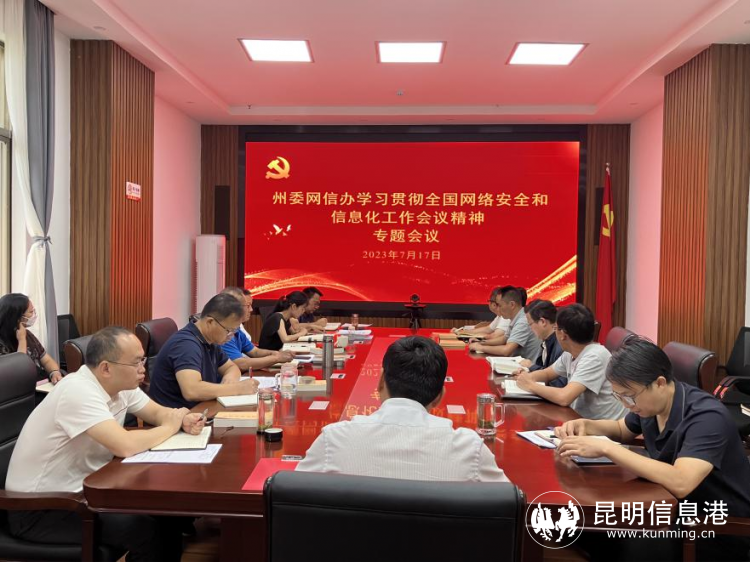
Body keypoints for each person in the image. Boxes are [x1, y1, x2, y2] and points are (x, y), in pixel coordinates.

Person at [6, 326, 204, 561]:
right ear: (106, 368)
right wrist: (170, 426)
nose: (143, 368)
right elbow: (125, 445)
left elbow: (157, 413)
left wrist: (181, 419)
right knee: (145, 530)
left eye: (143, 359)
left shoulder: (120, 385)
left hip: (88, 491)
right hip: (41, 509)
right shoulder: (77, 391)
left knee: (168, 513)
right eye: (136, 362)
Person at [556, 338, 750, 561]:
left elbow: (682, 482)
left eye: (629, 396)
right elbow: (622, 429)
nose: (626, 405)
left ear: (659, 383)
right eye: (619, 397)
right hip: (668, 507)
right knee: (574, 527)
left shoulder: (707, 417)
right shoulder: (652, 405)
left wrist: (607, 448)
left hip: (712, 526)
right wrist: (588, 425)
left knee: (607, 535)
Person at [297, 336, 509, 482]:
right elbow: (512, 509)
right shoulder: (470, 450)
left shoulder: (334, 440)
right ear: (439, 396)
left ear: (380, 382)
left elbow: (289, 499)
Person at [514, 304, 627, 420]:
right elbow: (547, 374)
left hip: (602, 427)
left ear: (563, 335)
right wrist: (526, 377)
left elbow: (564, 397)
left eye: (555, 328)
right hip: (579, 419)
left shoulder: (595, 356)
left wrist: (530, 385)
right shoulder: (570, 352)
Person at [148, 294, 259, 409]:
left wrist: (229, 381)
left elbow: (231, 367)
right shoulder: (186, 345)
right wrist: (237, 388)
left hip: (200, 409)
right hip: (179, 415)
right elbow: (192, 391)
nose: (230, 336)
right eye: (228, 330)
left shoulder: (210, 340)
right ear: (210, 322)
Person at [219, 287, 294, 371]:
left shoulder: (237, 329)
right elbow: (241, 364)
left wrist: (276, 353)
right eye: (248, 306)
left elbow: (254, 352)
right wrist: (276, 358)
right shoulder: (224, 332)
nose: (251, 309)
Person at [0, 293, 64, 383]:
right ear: (17, 318)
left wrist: (54, 372)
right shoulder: (3, 342)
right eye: (31, 312)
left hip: (41, 384)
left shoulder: (27, 334)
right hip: (22, 387)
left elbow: (46, 360)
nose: (34, 314)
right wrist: (22, 341)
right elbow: (19, 371)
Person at [469, 286, 540, 361]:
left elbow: (506, 351)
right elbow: (503, 339)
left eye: (500, 305)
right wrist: (481, 342)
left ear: (512, 305)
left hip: (526, 366)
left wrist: (480, 347)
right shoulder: (515, 317)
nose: (498, 309)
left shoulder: (523, 321)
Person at [514, 300, 566, 387]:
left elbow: (559, 383)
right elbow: (546, 372)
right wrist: (528, 374)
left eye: (530, 324)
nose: (530, 329)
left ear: (543, 322)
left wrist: (531, 367)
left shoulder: (562, 345)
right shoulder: (546, 341)